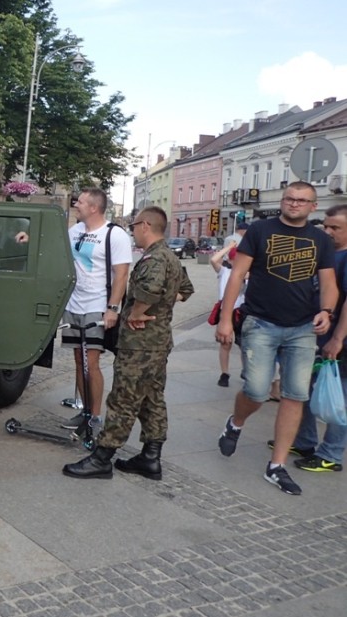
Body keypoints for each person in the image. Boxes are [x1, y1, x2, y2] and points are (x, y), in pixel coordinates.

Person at [215, 181, 337, 496]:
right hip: (260, 322)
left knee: (295, 395)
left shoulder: (321, 240)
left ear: (313, 205)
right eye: (289, 199)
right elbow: (237, 276)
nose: (294, 204)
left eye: (302, 200)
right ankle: (236, 422)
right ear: (283, 202)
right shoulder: (260, 231)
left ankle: (276, 466)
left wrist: (327, 311)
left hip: (302, 328)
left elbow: (328, 283)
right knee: (256, 391)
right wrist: (227, 319)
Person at [62, 206, 193, 480]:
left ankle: (102, 457)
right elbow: (185, 290)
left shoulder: (155, 259)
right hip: (157, 343)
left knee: (123, 399)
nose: (132, 231)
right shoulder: (169, 256)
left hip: (140, 345)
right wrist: (161, 307)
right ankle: (150, 457)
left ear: (145, 225)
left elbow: (150, 290)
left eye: (133, 226)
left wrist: (136, 312)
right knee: (152, 400)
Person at [19, 188, 131, 429]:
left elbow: (122, 275)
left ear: (94, 208)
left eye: (80, 202)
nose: (76, 204)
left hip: (96, 306)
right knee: (79, 361)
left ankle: (95, 416)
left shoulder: (114, 235)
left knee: (91, 363)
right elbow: (54, 245)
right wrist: (29, 238)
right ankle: (86, 411)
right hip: (73, 304)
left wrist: (112, 308)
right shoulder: (76, 230)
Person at [287, 204, 347, 472]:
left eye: (336, 228)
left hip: (338, 341)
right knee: (306, 390)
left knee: (338, 398)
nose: (328, 231)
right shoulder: (326, 254)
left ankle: (331, 454)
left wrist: (338, 340)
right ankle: (305, 441)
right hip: (315, 337)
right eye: (326, 225)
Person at [209, 223, 247, 388]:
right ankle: (224, 373)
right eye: (233, 258)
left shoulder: (249, 274)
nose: (236, 260)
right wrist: (230, 246)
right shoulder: (224, 272)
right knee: (226, 344)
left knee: (246, 345)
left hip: (244, 312)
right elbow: (213, 259)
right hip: (227, 312)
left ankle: (247, 371)